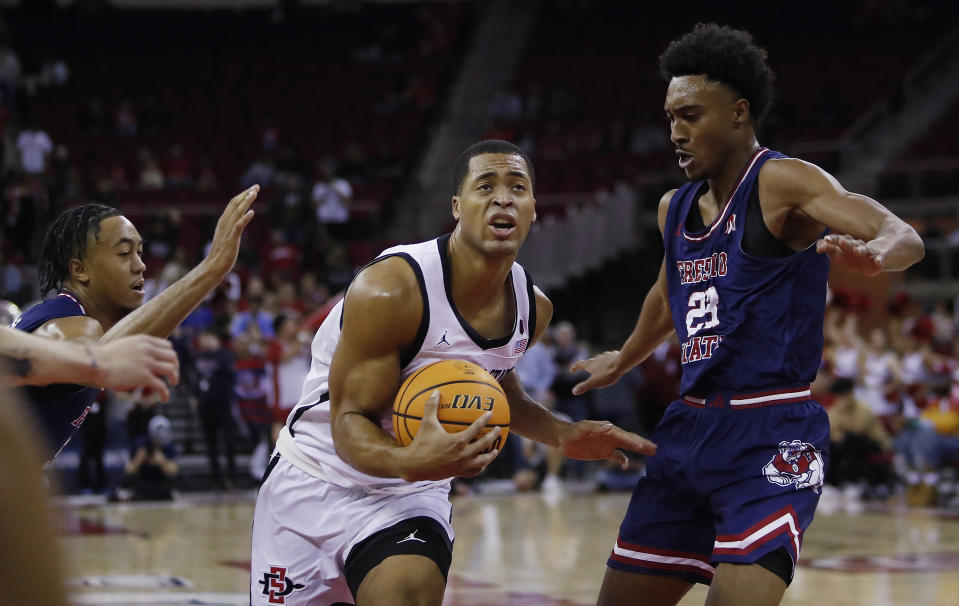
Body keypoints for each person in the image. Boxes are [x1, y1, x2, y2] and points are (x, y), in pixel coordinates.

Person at [570, 24, 924, 606]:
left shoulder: (783, 182)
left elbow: (900, 232)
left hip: (772, 427)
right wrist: (623, 358)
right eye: (670, 119)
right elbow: (667, 294)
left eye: (690, 116)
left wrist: (879, 256)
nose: (675, 133)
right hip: (688, 429)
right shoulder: (673, 207)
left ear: (738, 113)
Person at [250, 140, 656, 605]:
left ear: (533, 209)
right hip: (315, 477)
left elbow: (494, 385)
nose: (503, 198)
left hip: (409, 495)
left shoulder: (532, 309)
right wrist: (409, 460)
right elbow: (348, 424)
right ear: (457, 207)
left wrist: (561, 435)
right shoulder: (391, 289)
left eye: (517, 188)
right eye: (486, 186)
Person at [12, 185, 258, 462]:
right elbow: (97, 359)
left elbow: (102, 354)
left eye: (140, 252)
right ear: (80, 270)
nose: (140, 265)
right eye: (124, 253)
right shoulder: (68, 325)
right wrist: (211, 268)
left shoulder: (62, 315)